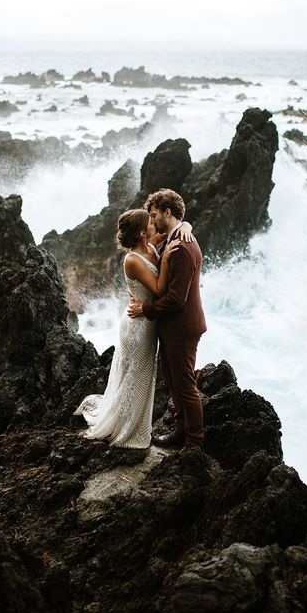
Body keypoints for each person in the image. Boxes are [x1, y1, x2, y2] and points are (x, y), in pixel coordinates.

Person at [72, 208, 192, 449]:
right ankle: (126, 429)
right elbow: (159, 289)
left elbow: (175, 231)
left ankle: (137, 425)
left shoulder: (149, 246)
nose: (154, 225)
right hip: (137, 327)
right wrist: (166, 260)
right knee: (134, 377)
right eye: (150, 223)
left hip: (147, 322)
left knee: (142, 377)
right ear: (141, 232)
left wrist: (186, 226)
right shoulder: (133, 260)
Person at [128, 189, 207, 452]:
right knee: (173, 381)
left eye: (154, 215)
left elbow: (176, 299)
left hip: (182, 327)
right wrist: (186, 223)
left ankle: (194, 441)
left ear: (167, 213)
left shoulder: (182, 247)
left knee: (185, 385)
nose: (153, 221)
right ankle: (180, 430)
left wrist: (145, 309)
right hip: (172, 327)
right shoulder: (174, 237)